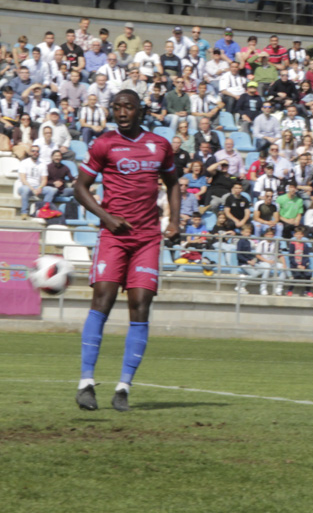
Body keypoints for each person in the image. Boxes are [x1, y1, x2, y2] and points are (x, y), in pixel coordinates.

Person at [73, 90, 180, 412]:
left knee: (140, 305)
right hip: (113, 237)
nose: (121, 112)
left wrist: (174, 221)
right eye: (117, 107)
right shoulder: (104, 143)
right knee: (102, 300)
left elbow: (173, 183)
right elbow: (80, 187)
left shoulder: (159, 145)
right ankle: (86, 383)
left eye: (128, 107)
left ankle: (123, 388)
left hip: (147, 238)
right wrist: (106, 218)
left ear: (140, 111)